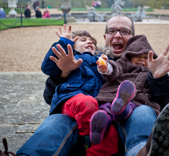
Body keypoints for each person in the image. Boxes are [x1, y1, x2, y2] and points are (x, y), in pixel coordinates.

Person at [3, 15, 169, 156]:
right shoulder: (93, 60)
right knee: (59, 119)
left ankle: (144, 151)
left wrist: (158, 78)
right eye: (112, 31)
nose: (118, 35)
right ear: (105, 37)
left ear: (133, 37)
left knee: (143, 112)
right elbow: (49, 98)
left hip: (128, 124)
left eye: (125, 31)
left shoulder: (146, 60)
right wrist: (63, 74)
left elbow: (168, 103)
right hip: (90, 128)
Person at [41, 26, 119, 155]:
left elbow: (113, 79)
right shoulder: (71, 58)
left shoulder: (100, 60)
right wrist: (65, 43)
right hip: (71, 98)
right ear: (72, 46)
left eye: (92, 42)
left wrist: (107, 67)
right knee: (86, 103)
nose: (89, 42)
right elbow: (47, 68)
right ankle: (87, 139)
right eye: (83, 40)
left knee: (110, 133)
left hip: (98, 105)